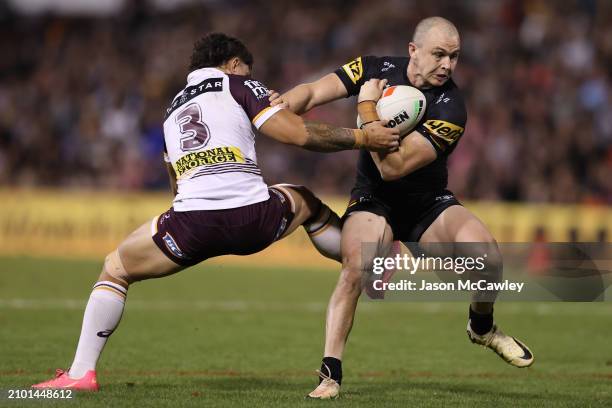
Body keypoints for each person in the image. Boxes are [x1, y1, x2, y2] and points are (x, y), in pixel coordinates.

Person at [31, 32, 399, 391]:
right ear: (234, 63)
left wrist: (191, 221)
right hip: (255, 218)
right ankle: (368, 267)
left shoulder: (172, 110)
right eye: (247, 71)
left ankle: (81, 373)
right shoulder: (238, 85)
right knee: (306, 202)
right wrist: (364, 138)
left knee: (114, 269)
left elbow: (175, 182)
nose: (252, 79)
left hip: (192, 225)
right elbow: (297, 134)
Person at [274, 16, 534, 399]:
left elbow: (392, 167)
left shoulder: (451, 107)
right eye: (440, 54)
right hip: (373, 200)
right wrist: (274, 109)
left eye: (455, 57)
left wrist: (366, 106)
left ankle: (482, 327)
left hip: (426, 203)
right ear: (413, 51)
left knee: (489, 259)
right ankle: (330, 373)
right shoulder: (374, 68)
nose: (448, 65)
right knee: (354, 270)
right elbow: (312, 94)